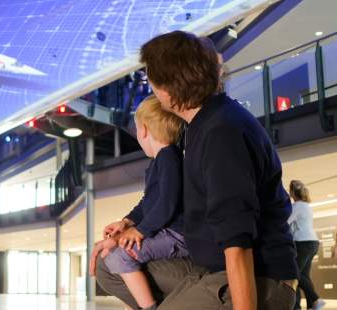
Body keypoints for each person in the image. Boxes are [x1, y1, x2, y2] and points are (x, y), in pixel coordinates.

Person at [94, 30, 298, 310]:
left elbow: (238, 241)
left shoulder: (221, 133)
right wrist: (127, 228)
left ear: (167, 88)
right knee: (109, 266)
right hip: (208, 267)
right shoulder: (201, 126)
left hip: (258, 278)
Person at [97, 95, 188, 310]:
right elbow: (149, 202)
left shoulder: (168, 157)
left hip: (178, 235)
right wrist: (127, 222)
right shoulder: (162, 160)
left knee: (120, 255)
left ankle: (150, 307)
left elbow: (167, 203)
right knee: (116, 254)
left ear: (144, 129)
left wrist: (141, 231)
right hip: (169, 232)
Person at [289, 180, 325, 310]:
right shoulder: (307, 206)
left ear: (292, 192)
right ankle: (311, 305)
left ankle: (315, 299)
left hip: (302, 243)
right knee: (304, 275)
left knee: (295, 274)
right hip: (313, 242)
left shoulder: (296, 206)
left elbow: (286, 221)